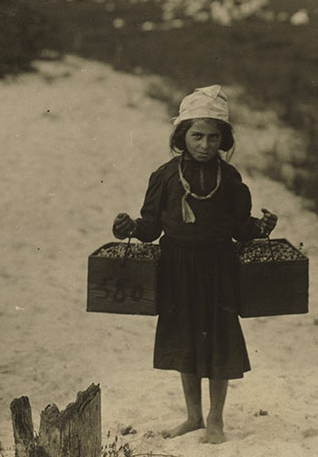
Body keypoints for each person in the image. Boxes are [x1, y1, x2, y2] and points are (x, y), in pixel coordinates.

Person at [112, 85, 277, 444]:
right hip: (177, 268)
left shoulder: (229, 179)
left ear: (224, 140)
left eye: (213, 137)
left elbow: (240, 228)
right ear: (181, 136)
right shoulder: (165, 177)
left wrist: (261, 228)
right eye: (197, 136)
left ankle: (216, 419)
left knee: (219, 341)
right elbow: (150, 229)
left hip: (219, 267)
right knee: (185, 339)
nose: (205, 145)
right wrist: (129, 228)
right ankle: (193, 416)